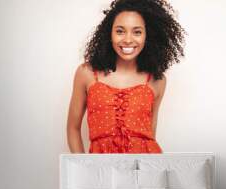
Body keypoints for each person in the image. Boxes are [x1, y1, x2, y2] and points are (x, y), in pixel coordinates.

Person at [67, 0, 185, 153]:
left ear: (148, 36)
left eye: (137, 32)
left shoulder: (157, 80)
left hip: (145, 170)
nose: (128, 39)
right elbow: (73, 129)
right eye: (120, 31)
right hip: (100, 170)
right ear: (109, 33)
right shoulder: (87, 73)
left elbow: (150, 134)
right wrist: (84, 169)